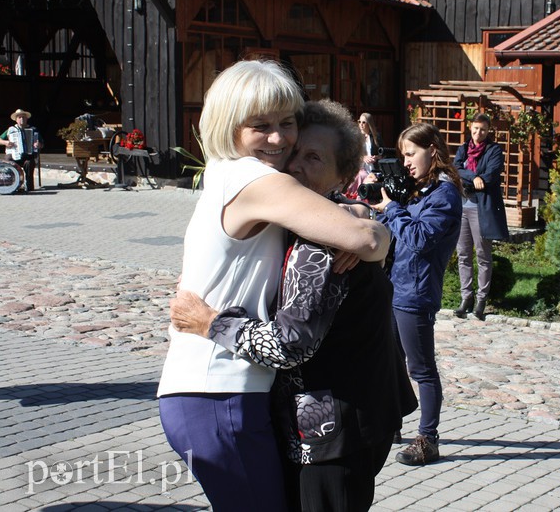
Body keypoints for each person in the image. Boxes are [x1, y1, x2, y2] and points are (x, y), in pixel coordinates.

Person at [156, 61, 390, 512]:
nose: (280, 140)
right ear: (230, 125)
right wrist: (368, 234)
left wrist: (362, 219)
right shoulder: (256, 179)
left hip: (221, 391)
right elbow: (363, 240)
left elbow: (356, 226)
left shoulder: (230, 174)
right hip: (219, 391)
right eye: (260, 126)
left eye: (288, 124)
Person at [368, 122, 463, 466]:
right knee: (389, 360)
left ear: (432, 150)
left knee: (421, 369)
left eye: (411, 154)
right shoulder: (420, 191)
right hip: (395, 287)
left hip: (416, 293)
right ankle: (391, 424)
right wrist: (384, 208)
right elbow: (397, 233)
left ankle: (428, 440)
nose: (406, 162)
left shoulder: (445, 194)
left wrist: (393, 208)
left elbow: (420, 240)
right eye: (403, 154)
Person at [452, 113, 509, 320]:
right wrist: (473, 176)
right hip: (462, 206)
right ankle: (466, 298)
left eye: (483, 129)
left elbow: (492, 175)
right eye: (475, 129)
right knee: (463, 254)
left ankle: (481, 300)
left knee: (483, 255)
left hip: (480, 209)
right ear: (470, 128)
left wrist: (476, 178)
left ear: (488, 131)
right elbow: (455, 170)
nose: (478, 133)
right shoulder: (463, 148)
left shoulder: (494, 150)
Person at [0, 108, 43, 192]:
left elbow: (41, 143)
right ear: (16, 119)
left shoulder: (33, 129)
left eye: (23, 117)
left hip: (27, 156)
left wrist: (38, 145)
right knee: (8, 160)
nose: (22, 119)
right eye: (19, 117)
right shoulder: (11, 130)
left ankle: (29, 186)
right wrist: (6, 142)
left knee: (30, 162)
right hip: (13, 155)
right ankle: (12, 184)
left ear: (27, 118)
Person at [344, 112, 382, 198]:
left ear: (369, 123)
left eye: (364, 122)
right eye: (359, 122)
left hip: (373, 168)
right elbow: (351, 155)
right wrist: (363, 158)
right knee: (361, 175)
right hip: (361, 168)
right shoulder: (356, 137)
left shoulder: (376, 137)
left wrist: (376, 157)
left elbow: (383, 154)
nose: (361, 124)